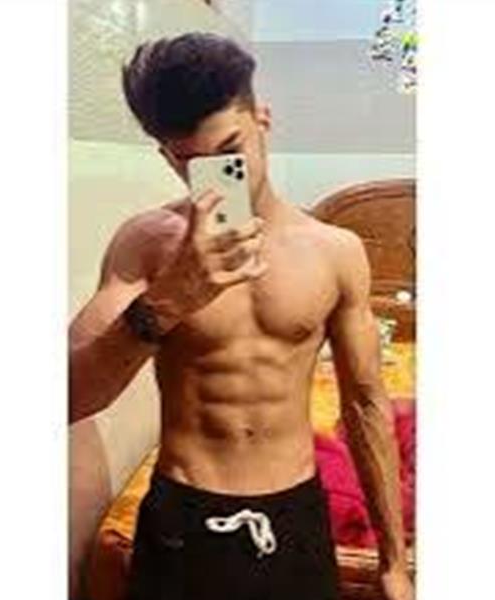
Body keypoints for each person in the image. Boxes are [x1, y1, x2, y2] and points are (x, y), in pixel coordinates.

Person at [70, 32, 414, 600]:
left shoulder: (335, 251)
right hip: (184, 519)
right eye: (192, 162)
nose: (217, 174)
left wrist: (394, 561)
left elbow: (365, 404)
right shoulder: (146, 245)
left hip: (295, 515)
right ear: (167, 156)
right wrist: (170, 299)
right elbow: (70, 397)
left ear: (263, 120)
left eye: (231, 149)